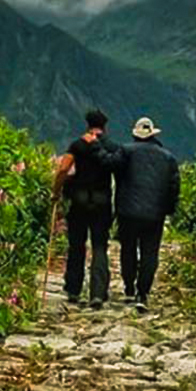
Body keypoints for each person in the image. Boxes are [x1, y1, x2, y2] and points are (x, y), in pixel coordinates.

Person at [98, 116, 180, 313]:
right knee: (150, 252)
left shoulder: (126, 151)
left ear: (136, 135)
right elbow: (174, 187)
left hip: (127, 211)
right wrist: (167, 209)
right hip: (155, 214)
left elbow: (109, 164)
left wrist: (98, 143)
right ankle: (142, 293)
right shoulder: (168, 158)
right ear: (153, 135)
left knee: (128, 249)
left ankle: (128, 287)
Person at [52, 109, 115, 308]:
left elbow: (63, 168)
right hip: (102, 202)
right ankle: (98, 292)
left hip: (79, 201)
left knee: (77, 245)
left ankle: (73, 289)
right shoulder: (109, 147)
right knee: (99, 246)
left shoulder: (77, 145)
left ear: (87, 125)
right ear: (105, 126)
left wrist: (56, 191)